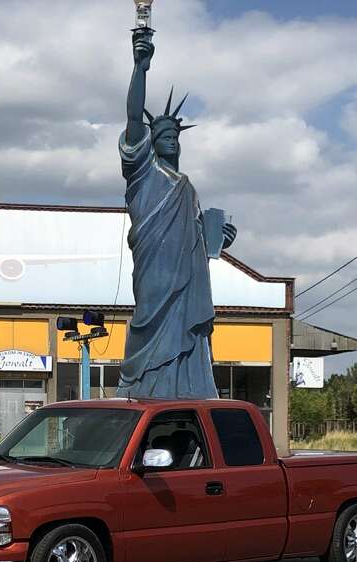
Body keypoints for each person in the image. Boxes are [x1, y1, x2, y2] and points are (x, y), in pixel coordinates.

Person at [117, 29, 236, 399]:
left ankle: (190, 393)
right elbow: (134, 117)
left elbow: (196, 238)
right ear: (150, 143)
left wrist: (218, 240)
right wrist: (140, 68)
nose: (171, 139)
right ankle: (144, 392)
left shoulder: (187, 187)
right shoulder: (143, 174)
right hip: (155, 280)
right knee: (147, 330)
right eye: (163, 135)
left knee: (190, 339)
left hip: (188, 284)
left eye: (175, 136)